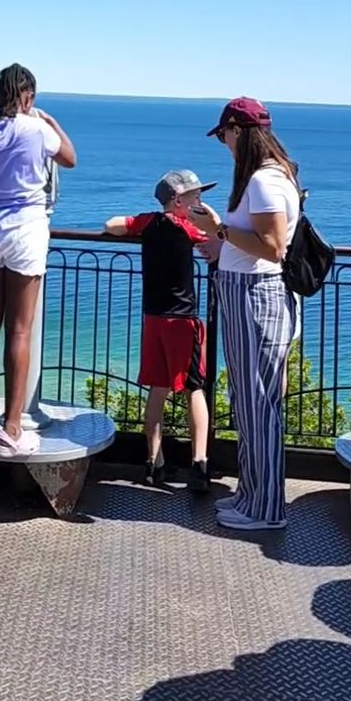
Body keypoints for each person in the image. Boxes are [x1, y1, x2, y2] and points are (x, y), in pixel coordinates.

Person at [0, 63, 77, 455]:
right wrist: (51, 121)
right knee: (19, 332)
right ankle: (11, 427)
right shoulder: (38, 130)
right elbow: (70, 158)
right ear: (29, 97)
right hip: (26, 232)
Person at [191, 97, 300, 533]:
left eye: (224, 135)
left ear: (238, 130)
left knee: (257, 404)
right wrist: (223, 243)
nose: (224, 143)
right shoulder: (273, 175)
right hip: (249, 292)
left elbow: (273, 248)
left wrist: (218, 228)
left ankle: (266, 509)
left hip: (255, 296)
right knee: (251, 401)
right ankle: (252, 495)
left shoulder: (263, 181)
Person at [105, 170, 214, 491]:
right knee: (194, 388)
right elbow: (216, 242)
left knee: (158, 388)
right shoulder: (187, 228)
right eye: (194, 196)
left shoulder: (148, 222)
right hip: (182, 320)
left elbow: (112, 224)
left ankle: (154, 462)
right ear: (178, 200)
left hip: (153, 318)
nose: (199, 200)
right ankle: (199, 464)